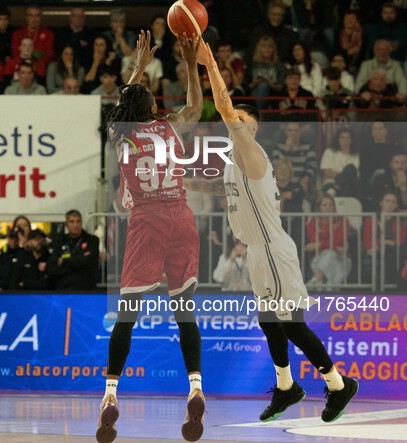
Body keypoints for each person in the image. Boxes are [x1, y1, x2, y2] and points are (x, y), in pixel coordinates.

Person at [195, 38, 358, 423]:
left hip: (272, 248)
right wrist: (182, 179)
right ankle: (287, 386)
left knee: (291, 324)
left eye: (243, 123)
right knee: (268, 321)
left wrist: (210, 64)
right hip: (256, 251)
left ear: (252, 130)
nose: (237, 127)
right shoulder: (234, 167)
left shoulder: (252, 154)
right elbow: (221, 188)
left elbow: (223, 107)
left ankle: (338, 384)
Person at [98, 31, 204, 443]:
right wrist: (192, 64)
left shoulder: (120, 134)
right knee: (184, 311)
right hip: (181, 218)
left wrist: (138, 66)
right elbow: (195, 105)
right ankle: (195, 386)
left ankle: (110, 394)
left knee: (127, 313)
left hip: (146, 222)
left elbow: (121, 105)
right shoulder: (170, 126)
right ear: (154, 108)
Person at [305, 195, 353, 288]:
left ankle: (315, 280)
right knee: (330, 254)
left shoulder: (343, 220)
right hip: (319, 257)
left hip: (341, 258)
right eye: (324, 205)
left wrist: (320, 244)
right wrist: (334, 246)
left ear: (334, 207)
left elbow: (340, 240)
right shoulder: (312, 222)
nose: (328, 208)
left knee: (331, 255)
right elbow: (314, 241)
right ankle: (327, 288)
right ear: (319, 207)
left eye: (330, 205)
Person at [47, 209, 99, 291]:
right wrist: (79, 261)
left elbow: (88, 263)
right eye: (72, 222)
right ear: (66, 224)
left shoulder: (92, 240)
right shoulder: (60, 241)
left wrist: (63, 261)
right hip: (63, 289)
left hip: (85, 290)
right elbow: (52, 268)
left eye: (78, 221)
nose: (75, 225)